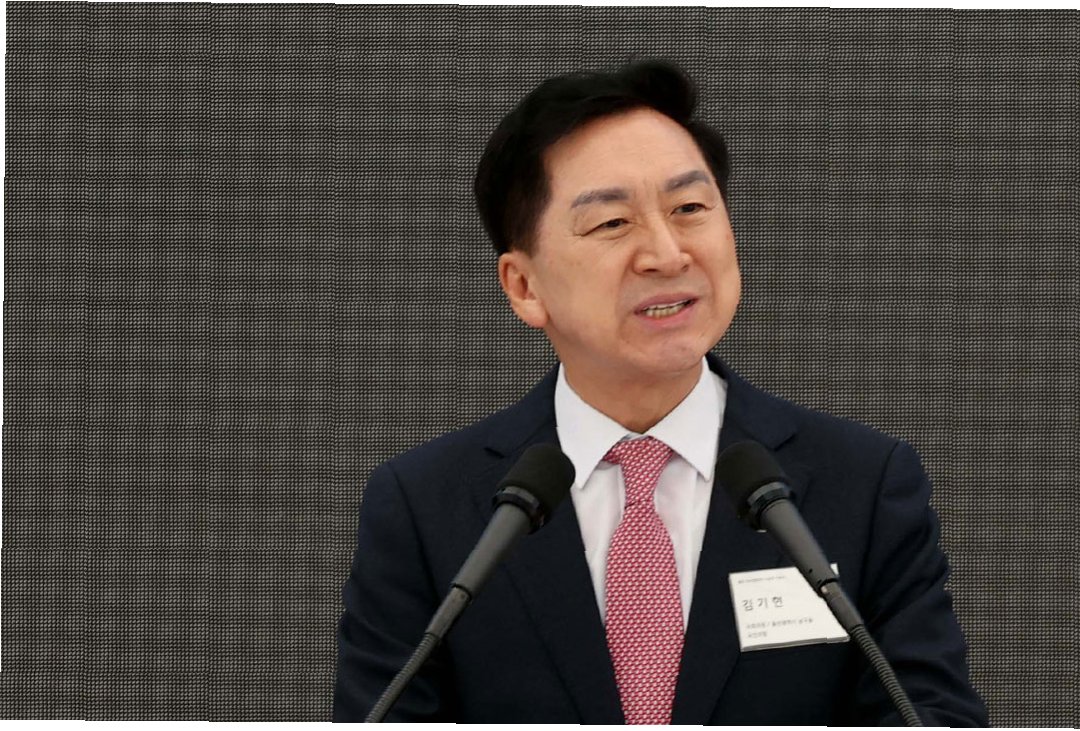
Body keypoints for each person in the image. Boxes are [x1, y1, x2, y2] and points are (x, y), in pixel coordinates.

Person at [333, 59, 988, 725]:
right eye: (612, 223)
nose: (667, 254)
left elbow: (931, 717)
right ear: (524, 286)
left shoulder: (864, 484)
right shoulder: (425, 506)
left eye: (689, 209)